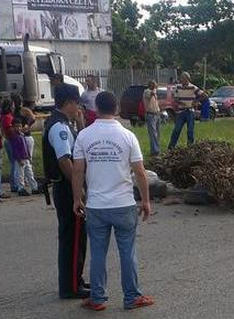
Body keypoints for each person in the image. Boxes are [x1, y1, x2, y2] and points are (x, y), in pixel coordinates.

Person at [72, 91, 154, 311]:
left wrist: (76, 198)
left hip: (96, 205)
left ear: (96, 108)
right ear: (116, 108)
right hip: (123, 203)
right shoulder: (127, 136)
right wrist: (145, 200)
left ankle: (97, 298)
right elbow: (140, 172)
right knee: (127, 251)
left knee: (97, 253)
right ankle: (131, 297)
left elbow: (78, 170)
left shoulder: (84, 136)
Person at [42, 83, 89, 299]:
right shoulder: (59, 127)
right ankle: (70, 287)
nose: (78, 107)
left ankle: (75, 279)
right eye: (76, 103)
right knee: (72, 237)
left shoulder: (62, 123)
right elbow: (64, 160)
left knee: (76, 238)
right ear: (69, 102)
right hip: (66, 187)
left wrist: (79, 124)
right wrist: (77, 189)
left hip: (65, 187)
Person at [168, 72, 206, 149]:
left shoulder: (193, 87)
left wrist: (196, 101)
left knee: (190, 131)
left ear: (187, 79)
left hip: (190, 111)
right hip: (180, 112)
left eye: (183, 78)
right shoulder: (177, 87)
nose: (181, 80)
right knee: (176, 130)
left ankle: (190, 147)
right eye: (181, 78)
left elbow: (204, 95)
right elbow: (174, 98)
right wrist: (179, 102)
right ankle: (171, 147)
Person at [13, 96, 38, 194]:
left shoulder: (20, 134)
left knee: (28, 170)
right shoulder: (17, 136)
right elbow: (16, 149)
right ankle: (21, 187)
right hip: (21, 156)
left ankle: (33, 186)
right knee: (21, 172)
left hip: (25, 154)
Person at [10, 118, 37, 195]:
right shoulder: (14, 137)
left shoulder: (22, 135)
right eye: (15, 126)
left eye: (19, 126)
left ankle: (34, 188)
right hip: (20, 160)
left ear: (21, 126)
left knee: (30, 173)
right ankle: (21, 189)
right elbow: (15, 150)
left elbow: (26, 147)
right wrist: (19, 159)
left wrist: (29, 156)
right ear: (13, 127)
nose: (18, 128)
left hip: (26, 158)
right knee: (20, 175)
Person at [1, 99, 19, 194]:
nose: (14, 107)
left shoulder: (4, 116)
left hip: (8, 140)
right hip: (11, 140)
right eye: (12, 105)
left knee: (13, 162)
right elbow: (9, 130)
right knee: (14, 163)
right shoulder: (8, 117)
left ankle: (14, 183)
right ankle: (14, 184)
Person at [143, 80, 161, 156]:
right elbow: (151, 94)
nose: (156, 86)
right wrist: (155, 89)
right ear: (151, 85)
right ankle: (155, 151)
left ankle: (156, 148)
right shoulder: (147, 91)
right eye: (154, 84)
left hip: (156, 114)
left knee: (157, 133)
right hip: (150, 115)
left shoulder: (154, 92)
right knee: (153, 133)